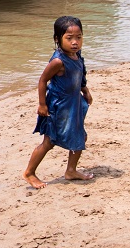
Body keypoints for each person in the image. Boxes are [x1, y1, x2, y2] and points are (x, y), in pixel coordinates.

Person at [23, 15, 94, 190]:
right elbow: (42, 81)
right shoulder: (58, 61)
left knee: (80, 136)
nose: (75, 42)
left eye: (78, 37)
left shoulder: (77, 56)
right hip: (59, 105)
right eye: (69, 38)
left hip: (73, 104)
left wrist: (85, 90)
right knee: (49, 141)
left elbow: (80, 75)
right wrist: (42, 104)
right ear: (57, 39)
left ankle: (71, 171)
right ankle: (29, 173)